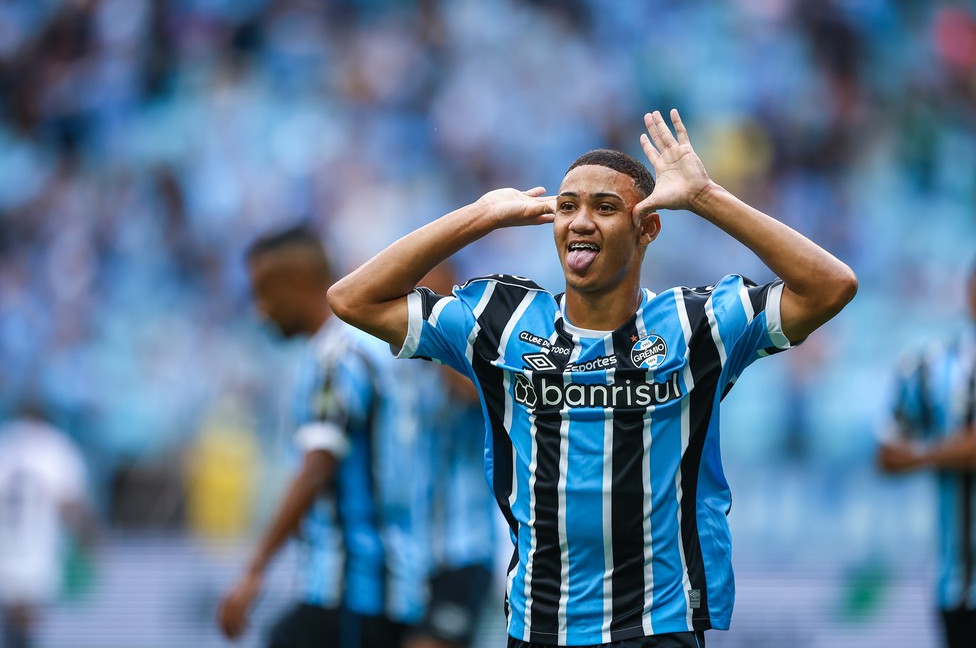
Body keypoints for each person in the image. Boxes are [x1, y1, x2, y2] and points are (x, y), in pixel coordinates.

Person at [327, 109, 857, 647]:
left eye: (605, 208)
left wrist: (704, 197)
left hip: (657, 624)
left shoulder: (700, 325)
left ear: (647, 226)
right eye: (567, 207)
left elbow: (830, 286)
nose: (581, 221)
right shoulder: (500, 322)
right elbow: (352, 299)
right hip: (538, 625)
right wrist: (479, 216)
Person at [217, 226, 425, 648]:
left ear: (298, 282)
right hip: (383, 586)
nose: (260, 311)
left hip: (350, 589)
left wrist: (254, 570)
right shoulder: (370, 346)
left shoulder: (336, 357)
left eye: (264, 292)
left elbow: (317, 466)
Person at [876, 255, 976, 648]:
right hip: (959, 585)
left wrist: (937, 453)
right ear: (970, 291)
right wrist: (955, 451)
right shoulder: (932, 368)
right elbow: (887, 453)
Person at [405, 261, 503, 648]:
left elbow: (475, 396)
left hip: (468, 544)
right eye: (415, 297)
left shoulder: (475, 354)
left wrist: (440, 341)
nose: (420, 308)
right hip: (420, 549)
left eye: (432, 297)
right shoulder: (412, 370)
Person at [0, 402, 96, 648]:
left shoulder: (5, 441)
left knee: (13, 618)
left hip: (6, 547)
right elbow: (69, 503)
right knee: (26, 619)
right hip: (38, 550)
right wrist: (88, 539)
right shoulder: (55, 447)